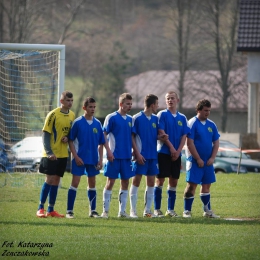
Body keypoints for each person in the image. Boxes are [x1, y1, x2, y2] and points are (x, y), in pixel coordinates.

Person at [36, 91, 75, 218]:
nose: (70, 103)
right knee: (50, 179)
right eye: (67, 100)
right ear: (61, 101)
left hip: (63, 154)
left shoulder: (72, 115)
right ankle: (40, 208)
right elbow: (46, 134)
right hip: (51, 154)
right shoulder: (53, 114)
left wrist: (67, 137)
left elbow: (71, 133)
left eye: (71, 100)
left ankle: (51, 209)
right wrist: (49, 152)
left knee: (57, 180)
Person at [66, 97, 106, 219]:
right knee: (75, 182)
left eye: (94, 107)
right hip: (79, 159)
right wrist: (76, 156)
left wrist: (100, 159)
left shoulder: (98, 123)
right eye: (90, 107)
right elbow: (71, 141)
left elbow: (101, 143)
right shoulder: (77, 122)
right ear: (84, 108)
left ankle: (93, 211)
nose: (93, 109)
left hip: (93, 159)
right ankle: (69, 211)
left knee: (92, 183)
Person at [130, 94, 168, 218]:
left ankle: (147, 211)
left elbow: (154, 135)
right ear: (152, 105)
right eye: (157, 104)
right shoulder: (136, 118)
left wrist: (161, 137)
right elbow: (132, 137)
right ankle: (133, 211)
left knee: (151, 182)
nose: (158, 106)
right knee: (136, 181)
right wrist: (137, 153)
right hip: (141, 156)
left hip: (152, 156)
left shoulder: (155, 119)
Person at [154, 91, 190, 217]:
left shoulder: (182, 118)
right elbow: (161, 132)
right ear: (166, 101)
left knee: (173, 181)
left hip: (177, 154)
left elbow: (184, 135)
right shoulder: (162, 114)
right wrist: (172, 149)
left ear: (177, 100)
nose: (170, 100)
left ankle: (170, 209)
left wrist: (178, 151)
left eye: (172, 98)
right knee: (160, 180)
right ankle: (157, 209)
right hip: (163, 153)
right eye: (168, 98)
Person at [183, 99, 220, 218]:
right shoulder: (192, 123)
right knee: (191, 185)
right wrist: (198, 158)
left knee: (206, 185)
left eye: (209, 110)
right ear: (198, 110)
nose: (207, 113)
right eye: (205, 110)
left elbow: (216, 143)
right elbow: (190, 143)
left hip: (207, 162)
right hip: (194, 161)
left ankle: (207, 211)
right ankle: (187, 211)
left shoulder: (211, 124)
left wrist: (212, 158)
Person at [101, 93, 135, 218]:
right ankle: (105, 211)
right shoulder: (111, 117)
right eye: (127, 104)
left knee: (125, 182)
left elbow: (132, 137)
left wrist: (134, 151)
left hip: (126, 157)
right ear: (121, 104)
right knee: (110, 182)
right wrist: (108, 151)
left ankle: (122, 211)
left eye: (131, 104)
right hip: (114, 156)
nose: (129, 106)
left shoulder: (131, 119)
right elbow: (104, 135)